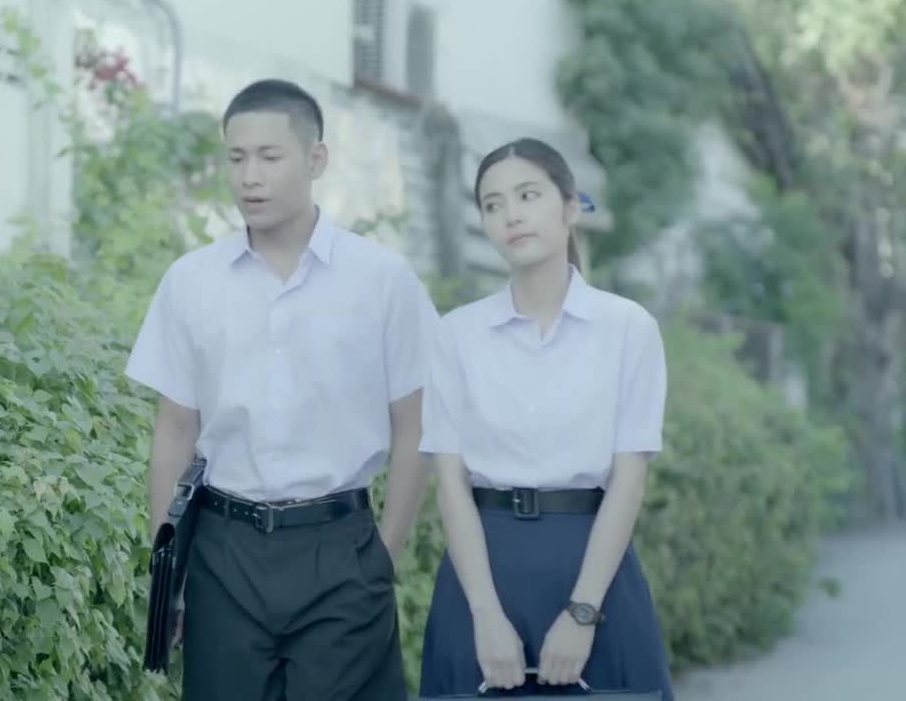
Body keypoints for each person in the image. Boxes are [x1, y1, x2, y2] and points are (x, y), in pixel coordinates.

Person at [125, 78, 439, 701]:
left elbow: (417, 426)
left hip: (341, 548)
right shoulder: (191, 281)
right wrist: (169, 578)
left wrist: (385, 555)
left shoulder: (382, 280)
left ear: (316, 160)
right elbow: (175, 431)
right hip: (224, 549)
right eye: (236, 158)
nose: (250, 177)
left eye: (270, 157)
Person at [416, 137, 675, 699]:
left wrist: (583, 613)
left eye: (528, 195)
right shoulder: (457, 334)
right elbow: (451, 486)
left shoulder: (627, 328)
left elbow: (628, 480)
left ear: (570, 206)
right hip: (482, 572)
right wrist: (485, 615)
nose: (511, 214)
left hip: (593, 568)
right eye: (493, 204)